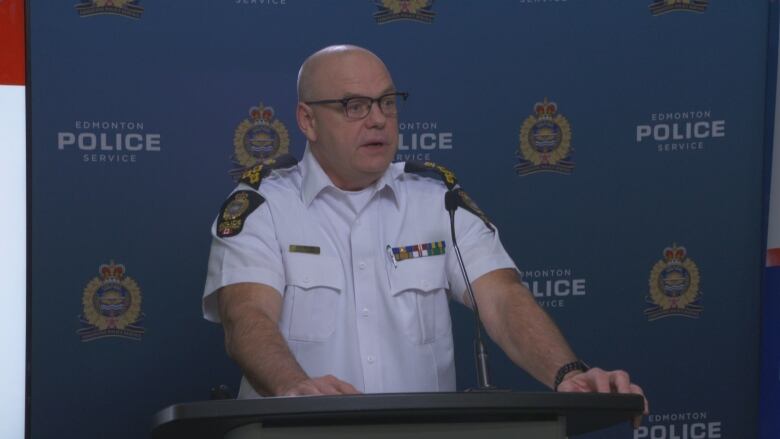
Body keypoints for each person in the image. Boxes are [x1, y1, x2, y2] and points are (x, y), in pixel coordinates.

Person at [203, 44, 647, 421]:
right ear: (307, 120)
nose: (377, 119)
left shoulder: (438, 200)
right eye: (354, 106)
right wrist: (294, 389)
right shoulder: (262, 206)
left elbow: (501, 298)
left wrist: (568, 373)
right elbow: (246, 318)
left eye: (387, 102)